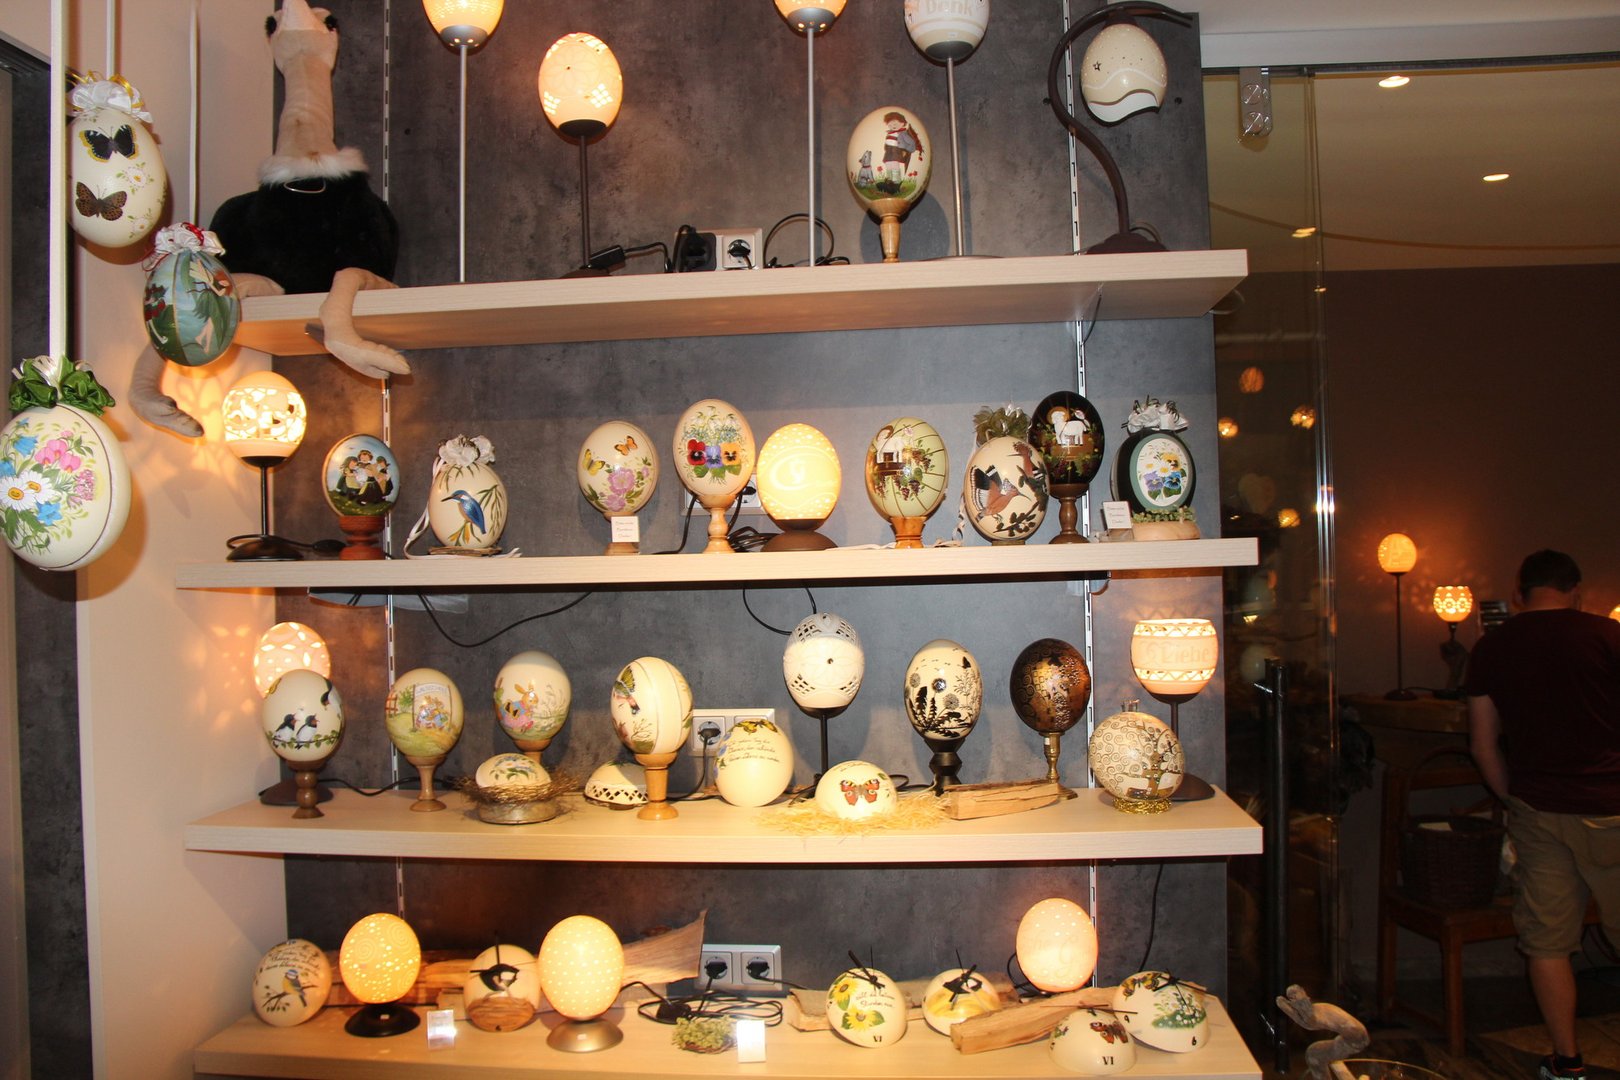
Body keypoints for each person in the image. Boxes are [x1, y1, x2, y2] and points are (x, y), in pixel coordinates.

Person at [1465, 549, 1620, 1080]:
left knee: (1548, 942)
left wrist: (1514, 797)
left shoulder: (1492, 646)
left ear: (1519, 593)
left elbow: (1483, 744)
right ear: (1576, 591)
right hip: (1612, 805)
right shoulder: (1608, 636)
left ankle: (1567, 1061)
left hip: (1539, 807)